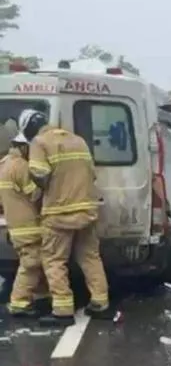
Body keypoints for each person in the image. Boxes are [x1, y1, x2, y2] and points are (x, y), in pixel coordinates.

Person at [21, 109, 114, 325]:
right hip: (87, 210)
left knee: (54, 260)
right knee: (90, 257)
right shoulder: (78, 140)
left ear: (30, 130)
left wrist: (42, 188)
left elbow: (39, 173)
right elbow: (92, 174)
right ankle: (100, 303)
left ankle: (62, 311)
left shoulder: (39, 143)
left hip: (59, 213)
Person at [1, 137, 50, 318]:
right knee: (31, 263)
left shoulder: (4, 165)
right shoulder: (20, 165)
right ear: (23, 147)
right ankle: (19, 303)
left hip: (16, 225)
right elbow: (34, 194)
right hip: (28, 225)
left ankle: (41, 296)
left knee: (37, 261)